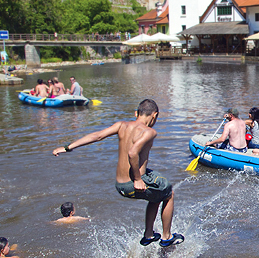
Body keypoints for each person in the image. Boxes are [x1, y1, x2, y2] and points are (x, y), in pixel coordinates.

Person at [53, 99, 183, 247]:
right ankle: (167, 237)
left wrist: (68, 147)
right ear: (154, 115)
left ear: (137, 113)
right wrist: (137, 179)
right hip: (133, 183)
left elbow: (97, 136)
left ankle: (148, 235)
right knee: (169, 193)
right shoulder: (149, 132)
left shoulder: (121, 125)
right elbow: (133, 153)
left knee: (157, 192)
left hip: (119, 185)